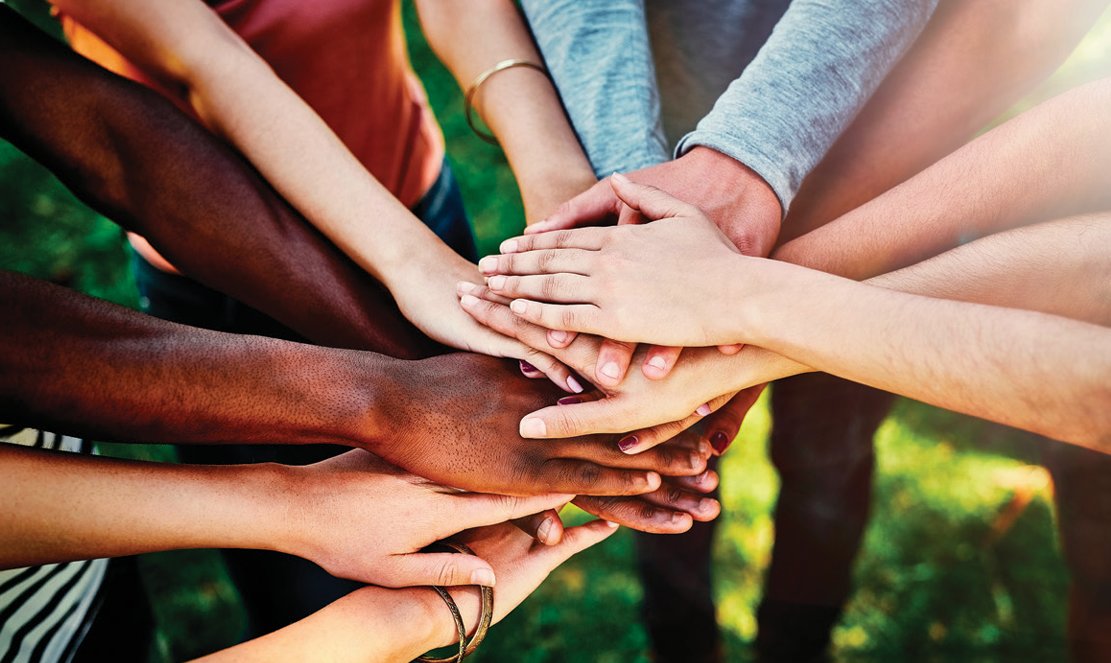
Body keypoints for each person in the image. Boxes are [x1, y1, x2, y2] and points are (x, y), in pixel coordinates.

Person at [0, 7, 712, 657]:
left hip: (66, 582)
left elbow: (109, 132)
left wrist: (426, 345)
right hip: (214, 270)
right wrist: (375, 412)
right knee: (304, 594)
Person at [518, 1, 1107, 659]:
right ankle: (679, 641)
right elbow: (1091, 233)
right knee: (661, 460)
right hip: (675, 154)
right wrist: (646, 208)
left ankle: (793, 647)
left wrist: (735, 292)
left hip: (886, 163)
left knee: (823, 465)